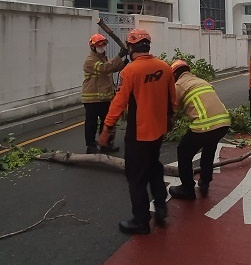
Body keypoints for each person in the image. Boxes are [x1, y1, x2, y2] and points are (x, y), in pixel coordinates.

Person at [99, 29, 176, 235]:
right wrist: (169, 121)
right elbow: (172, 99)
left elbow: (118, 103)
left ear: (131, 47)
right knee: (154, 168)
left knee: (136, 177)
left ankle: (141, 221)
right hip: (158, 131)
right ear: (148, 46)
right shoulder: (165, 68)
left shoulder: (130, 72)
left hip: (138, 133)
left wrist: (107, 128)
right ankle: (160, 207)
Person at [168, 60, 231, 201]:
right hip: (223, 122)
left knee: (183, 151)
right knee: (209, 149)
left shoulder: (179, 85)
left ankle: (187, 189)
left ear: (175, 74)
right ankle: (205, 182)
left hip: (205, 124)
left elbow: (173, 109)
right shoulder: (201, 81)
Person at [82, 33, 127, 154]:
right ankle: (90, 146)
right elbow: (104, 69)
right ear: (92, 47)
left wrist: (123, 64)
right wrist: (119, 56)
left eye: (103, 45)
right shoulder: (90, 61)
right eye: (99, 45)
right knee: (91, 123)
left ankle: (105, 144)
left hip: (105, 97)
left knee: (107, 122)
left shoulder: (104, 59)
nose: (102, 47)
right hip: (92, 99)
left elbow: (110, 68)